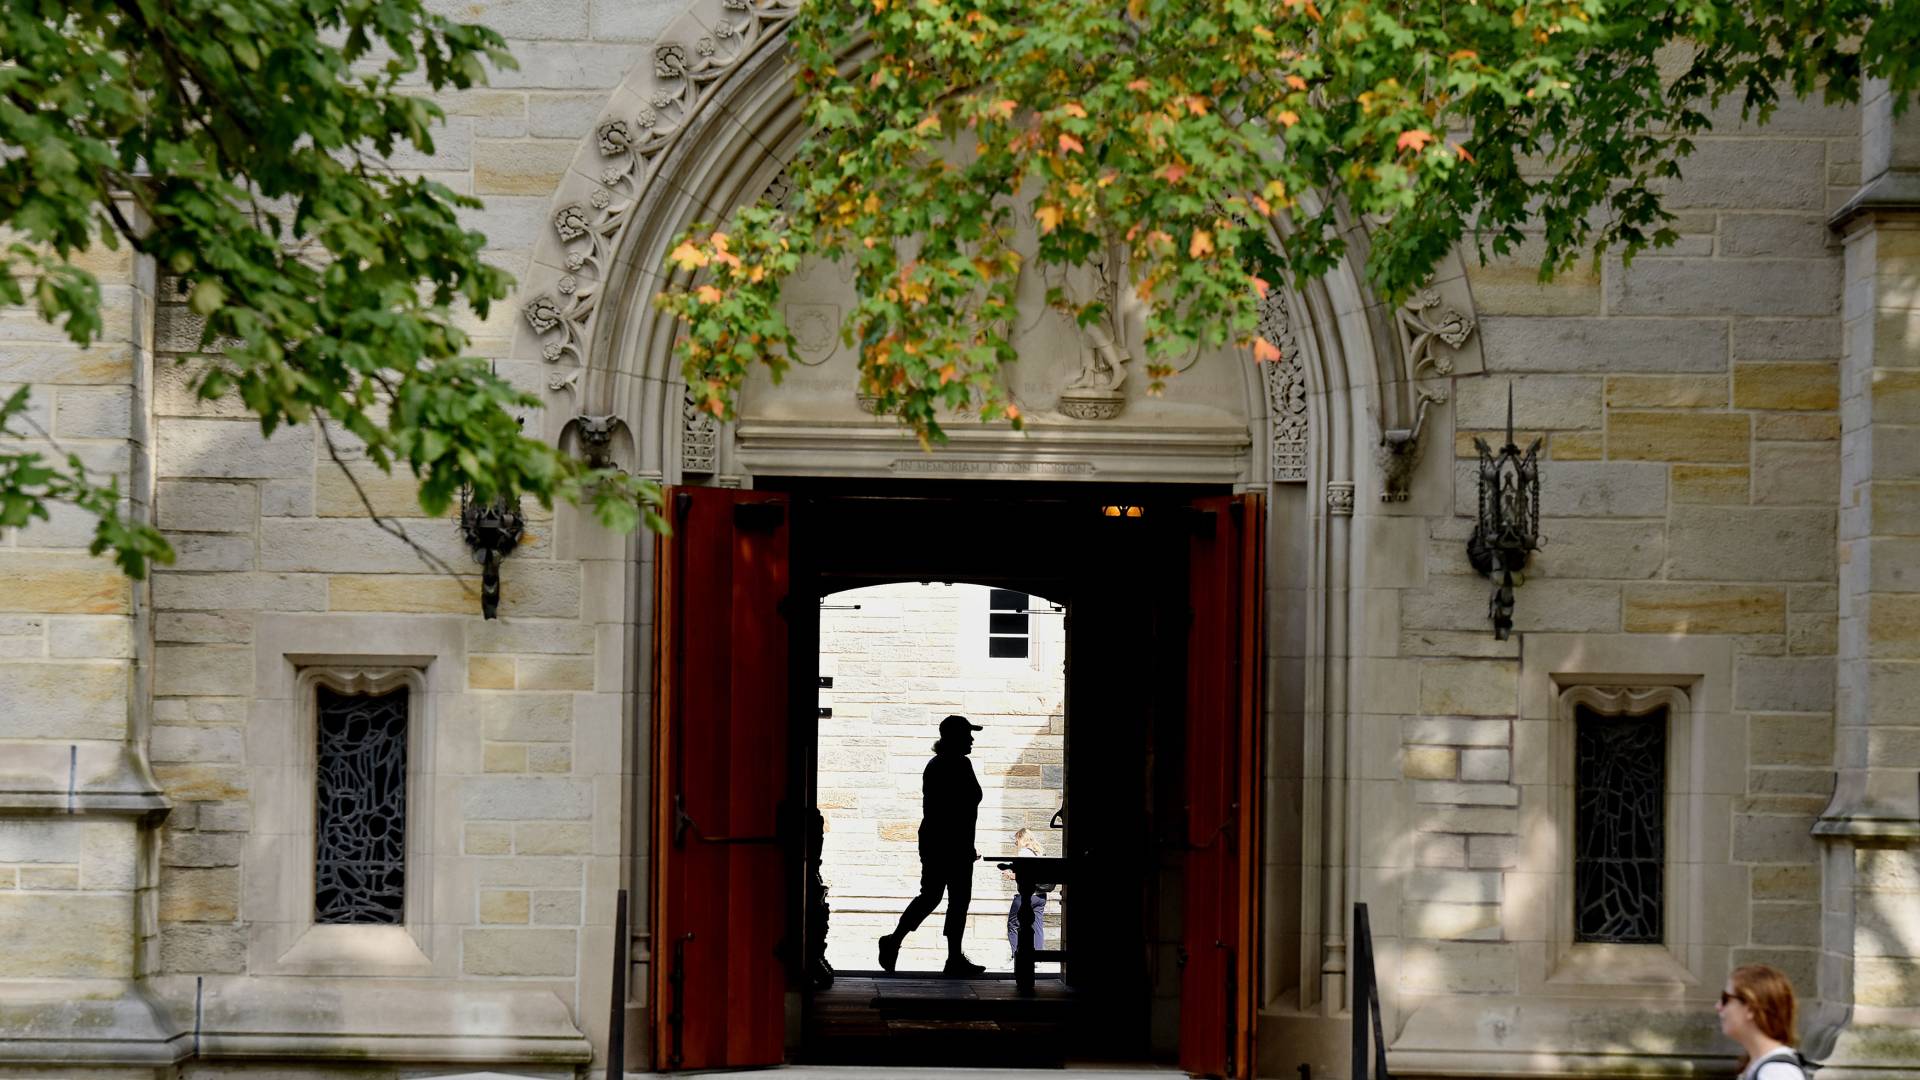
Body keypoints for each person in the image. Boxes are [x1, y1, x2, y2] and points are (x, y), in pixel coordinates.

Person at [878, 714, 985, 976]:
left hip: (950, 845)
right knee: (938, 897)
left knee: (949, 899)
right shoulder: (947, 766)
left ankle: (948, 956)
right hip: (945, 845)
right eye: (967, 734)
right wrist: (959, 844)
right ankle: (896, 941)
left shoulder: (954, 764)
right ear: (955, 737)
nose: (972, 739)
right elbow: (950, 812)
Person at [1717, 963, 1810, 1079]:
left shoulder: (1776, 1072)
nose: (1718, 1006)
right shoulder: (1762, 1067)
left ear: (1751, 1008)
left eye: (1725, 999)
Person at [1002, 827, 1051, 965]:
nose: (1015, 843)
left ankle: (1016, 958)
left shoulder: (1024, 852)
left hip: (1026, 895)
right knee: (1037, 925)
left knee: (1013, 924)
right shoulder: (1039, 852)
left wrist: (1010, 875)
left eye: (1016, 840)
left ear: (1021, 839)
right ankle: (1037, 959)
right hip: (1041, 896)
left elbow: (1026, 875)